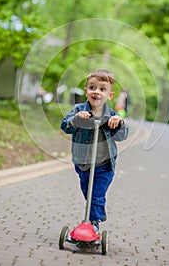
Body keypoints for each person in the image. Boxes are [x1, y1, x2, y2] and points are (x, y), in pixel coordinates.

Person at [61, 69, 129, 233]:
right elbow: (65, 126)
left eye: (102, 89)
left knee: (96, 195)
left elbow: (122, 136)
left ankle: (94, 223)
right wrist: (77, 120)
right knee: (87, 192)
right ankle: (91, 219)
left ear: (110, 95)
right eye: (92, 88)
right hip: (83, 163)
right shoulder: (78, 110)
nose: (96, 92)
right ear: (86, 91)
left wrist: (119, 123)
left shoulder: (112, 116)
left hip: (104, 165)